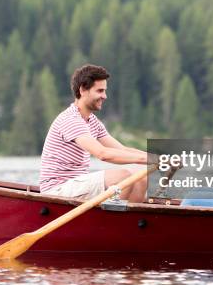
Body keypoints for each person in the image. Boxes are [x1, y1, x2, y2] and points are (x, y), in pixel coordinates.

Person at [40, 64, 153, 202]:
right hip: (57, 190)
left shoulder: (92, 121)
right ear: (82, 90)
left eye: (105, 91)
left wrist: (157, 158)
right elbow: (102, 154)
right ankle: (111, 221)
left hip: (76, 185)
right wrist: (148, 160)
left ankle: (128, 222)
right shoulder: (70, 119)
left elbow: (121, 149)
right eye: (100, 91)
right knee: (123, 176)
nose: (105, 96)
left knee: (141, 178)